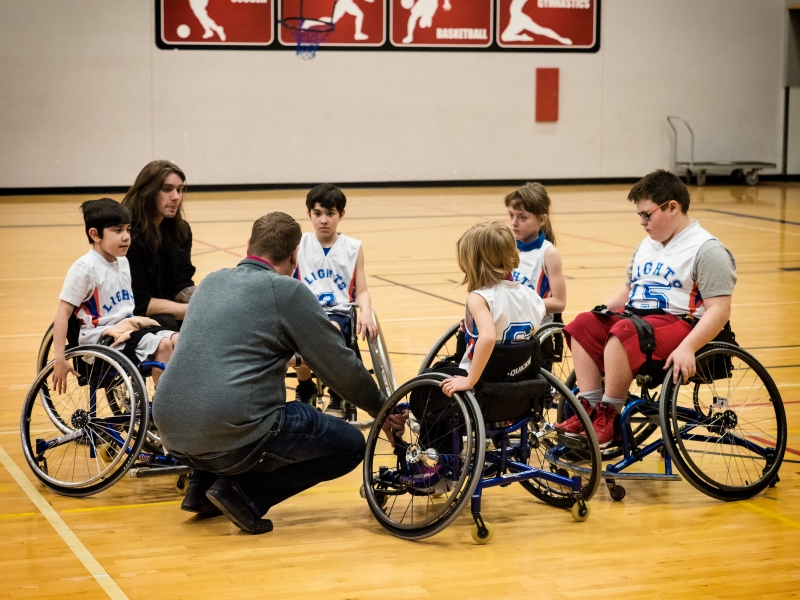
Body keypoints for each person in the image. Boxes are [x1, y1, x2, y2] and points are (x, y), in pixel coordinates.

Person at [152, 212, 395, 535]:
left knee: (219, 394)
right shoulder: (288, 291)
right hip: (229, 436)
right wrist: (382, 408)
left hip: (170, 431)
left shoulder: (211, 281)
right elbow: (340, 367)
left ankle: (201, 490)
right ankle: (243, 496)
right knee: (351, 444)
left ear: (249, 245)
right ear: (295, 255)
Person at [559, 170, 737, 447]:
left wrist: (688, 348)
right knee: (583, 324)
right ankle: (589, 409)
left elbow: (720, 310)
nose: (642, 222)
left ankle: (611, 417)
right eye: (640, 215)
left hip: (679, 324)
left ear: (672, 207)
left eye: (647, 214)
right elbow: (628, 290)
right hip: (638, 321)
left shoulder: (707, 250)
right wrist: (600, 312)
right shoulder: (646, 245)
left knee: (623, 331)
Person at [52, 199, 178, 392]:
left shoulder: (123, 262)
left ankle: (174, 403)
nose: (127, 237)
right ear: (95, 234)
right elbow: (62, 314)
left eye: (128, 230)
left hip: (129, 330)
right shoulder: (84, 268)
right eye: (118, 230)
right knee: (162, 346)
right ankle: (166, 411)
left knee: (180, 340)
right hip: (101, 339)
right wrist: (60, 358)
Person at [292, 184, 378, 419]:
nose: (323, 220)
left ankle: (337, 392)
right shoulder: (299, 244)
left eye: (330, 214)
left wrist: (367, 311)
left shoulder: (353, 247)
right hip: (305, 312)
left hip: (339, 314)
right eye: (318, 213)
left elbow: (362, 290)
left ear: (341, 214)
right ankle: (306, 387)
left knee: (330, 331)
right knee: (298, 331)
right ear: (309, 213)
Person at [439, 221, 547, 398]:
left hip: (483, 380)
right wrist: (471, 327)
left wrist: (470, 381)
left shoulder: (479, 297)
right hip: (519, 379)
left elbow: (488, 337)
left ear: (472, 263)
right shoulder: (532, 296)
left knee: (429, 383)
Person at [122, 160, 196, 331]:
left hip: (168, 307)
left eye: (179, 189)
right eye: (167, 189)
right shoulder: (128, 237)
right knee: (166, 322)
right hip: (132, 314)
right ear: (148, 192)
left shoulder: (181, 231)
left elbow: (182, 283)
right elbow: (140, 302)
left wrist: (210, 302)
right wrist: (193, 309)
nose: (176, 197)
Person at [505, 182, 566, 324]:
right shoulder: (507, 247)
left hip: (535, 327)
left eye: (522, 217)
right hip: (510, 321)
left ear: (542, 220)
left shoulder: (548, 253)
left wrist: (519, 305)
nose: (514, 222)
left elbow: (559, 303)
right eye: (511, 215)